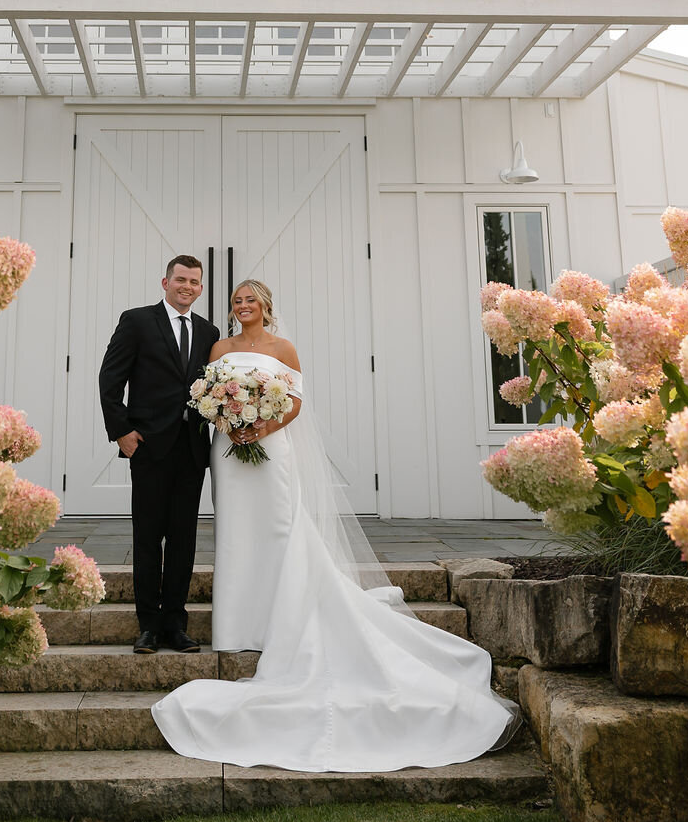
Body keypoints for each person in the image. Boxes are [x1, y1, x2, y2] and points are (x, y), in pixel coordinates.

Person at [151, 279, 522, 772]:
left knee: (281, 529)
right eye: (237, 301)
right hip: (229, 452)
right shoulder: (220, 347)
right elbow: (207, 399)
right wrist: (229, 423)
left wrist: (259, 427)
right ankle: (237, 625)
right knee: (236, 536)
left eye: (251, 300)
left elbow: (295, 403)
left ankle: (285, 620)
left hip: (268, 448)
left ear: (265, 306)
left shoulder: (283, 348)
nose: (243, 307)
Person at [99, 255, 220, 654]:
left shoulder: (209, 332)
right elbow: (110, 377)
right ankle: (148, 625)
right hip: (148, 447)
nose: (187, 287)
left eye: (195, 282)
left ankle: (176, 624)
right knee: (149, 537)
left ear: (201, 289)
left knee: (184, 540)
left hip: (191, 449)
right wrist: (122, 433)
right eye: (181, 279)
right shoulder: (136, 321)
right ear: (165, 282)